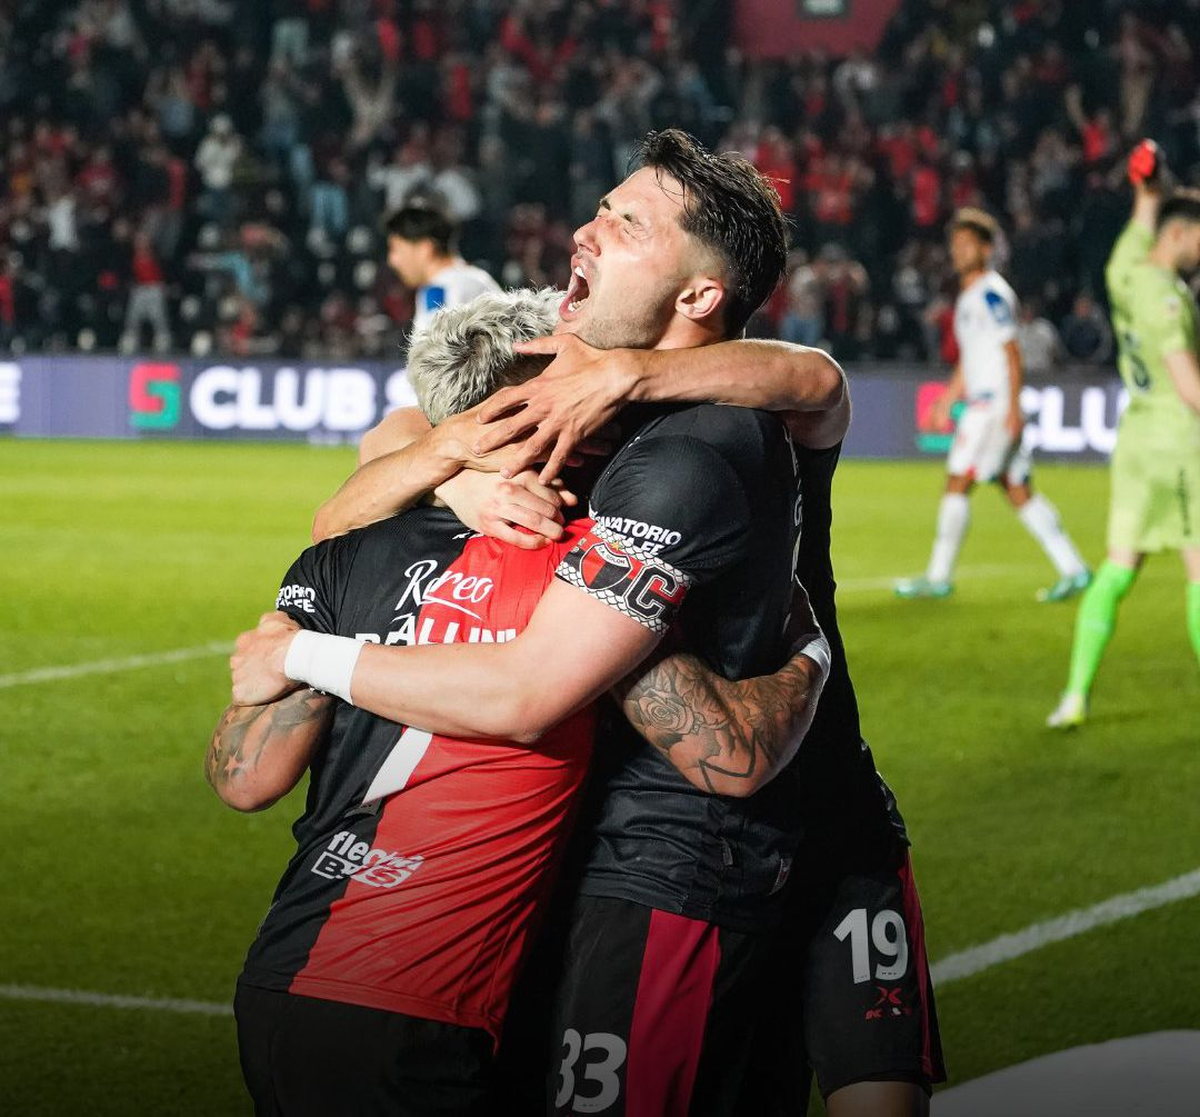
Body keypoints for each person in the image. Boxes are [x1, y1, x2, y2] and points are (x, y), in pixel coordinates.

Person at [235, 129, 942, 1116]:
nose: (587, 230)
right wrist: (464, 470)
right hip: (670, 844)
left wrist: (632, 379)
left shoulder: (713, 424)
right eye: (599, 210)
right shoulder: (565, 384)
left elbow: (819, 381)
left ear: (698, 295)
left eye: (626, 221)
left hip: (801, 816)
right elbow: (377, 460)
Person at [212, 287, 832, 1116]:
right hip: (421, 1012)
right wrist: (811, 655)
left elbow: (246, 777)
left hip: (283, 978)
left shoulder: (347, 547)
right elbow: (732, 753)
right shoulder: (586, 579)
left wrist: (300, 649)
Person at [1047, 143, 1200, 729]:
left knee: (1117, 567)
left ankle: (1076, 697)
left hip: (1134, 440)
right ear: (1182, 235)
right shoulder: (1165, 297)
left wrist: (1150, 176)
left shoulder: (1124, 268)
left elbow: (1146, 209)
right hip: (1177, 440)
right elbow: (1188, 384)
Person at [895, 208, 1091, 603]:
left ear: (986, 249)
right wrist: (946, 402)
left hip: (992, 408)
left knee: (958, 482)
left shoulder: (990, 292)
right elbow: (972, 360)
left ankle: (938, 577)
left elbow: (1011, 350)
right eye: (956, 245)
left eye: (968, 244)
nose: (959, 252)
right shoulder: (970, 295)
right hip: (987, 404)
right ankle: (1074, 569)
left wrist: (1013, 408)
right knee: (1017, 488)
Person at [385, 201, 500, 333]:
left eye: (396, 249)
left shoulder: (438, 292)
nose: (392, 260)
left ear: (425, 249)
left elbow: (436, 351)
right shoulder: (478, 278)